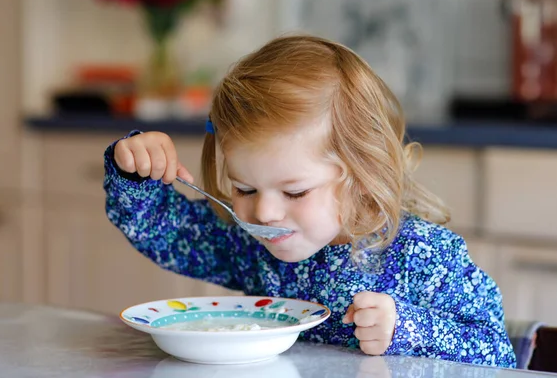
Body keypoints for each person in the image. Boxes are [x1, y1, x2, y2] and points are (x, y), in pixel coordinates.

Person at [103, 35, 516, 367]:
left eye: (295, 192)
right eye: (244, 189)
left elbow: (499, 355)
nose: (263, 212)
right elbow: (165, 234)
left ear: (362, 173)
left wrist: (406, 329)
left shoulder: (421, 255)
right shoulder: (253, 245)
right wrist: (135, 173)